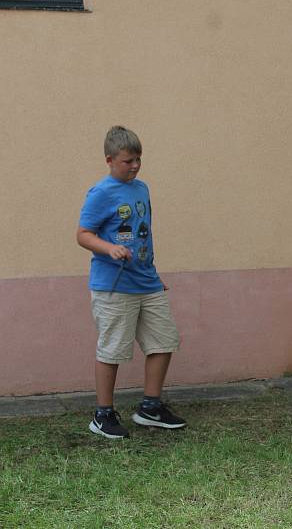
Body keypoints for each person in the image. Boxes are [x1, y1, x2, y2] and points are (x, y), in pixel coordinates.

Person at [77, 125, 186, 439]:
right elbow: (83, 234)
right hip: (114, 285)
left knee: (165, 341)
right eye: (128, 161)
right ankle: (103, 414)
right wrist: (109, 248)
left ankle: (150, 408)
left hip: (147, 282)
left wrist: (153, 272)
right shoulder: (100, 193)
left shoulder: (142, 189)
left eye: (138, 159)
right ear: (110, 160)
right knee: (112, 350)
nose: (135, 165)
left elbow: (143, 237)